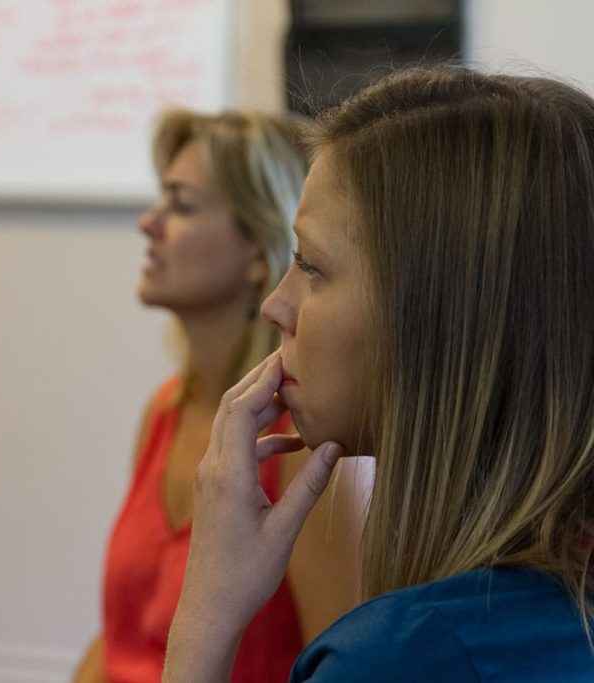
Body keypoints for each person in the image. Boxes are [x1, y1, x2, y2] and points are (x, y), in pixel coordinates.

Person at [163, 66, 594, 682]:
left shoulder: (400, 657)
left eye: (311, 266)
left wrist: (207, 612)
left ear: (433, 317)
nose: (275, 307)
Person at [73, 110, 371, 683]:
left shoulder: (305, 447)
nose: (148, 224)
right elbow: (120, 640)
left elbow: (345, 663)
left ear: (259, 250)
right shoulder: (165, 410)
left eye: (181, 205)